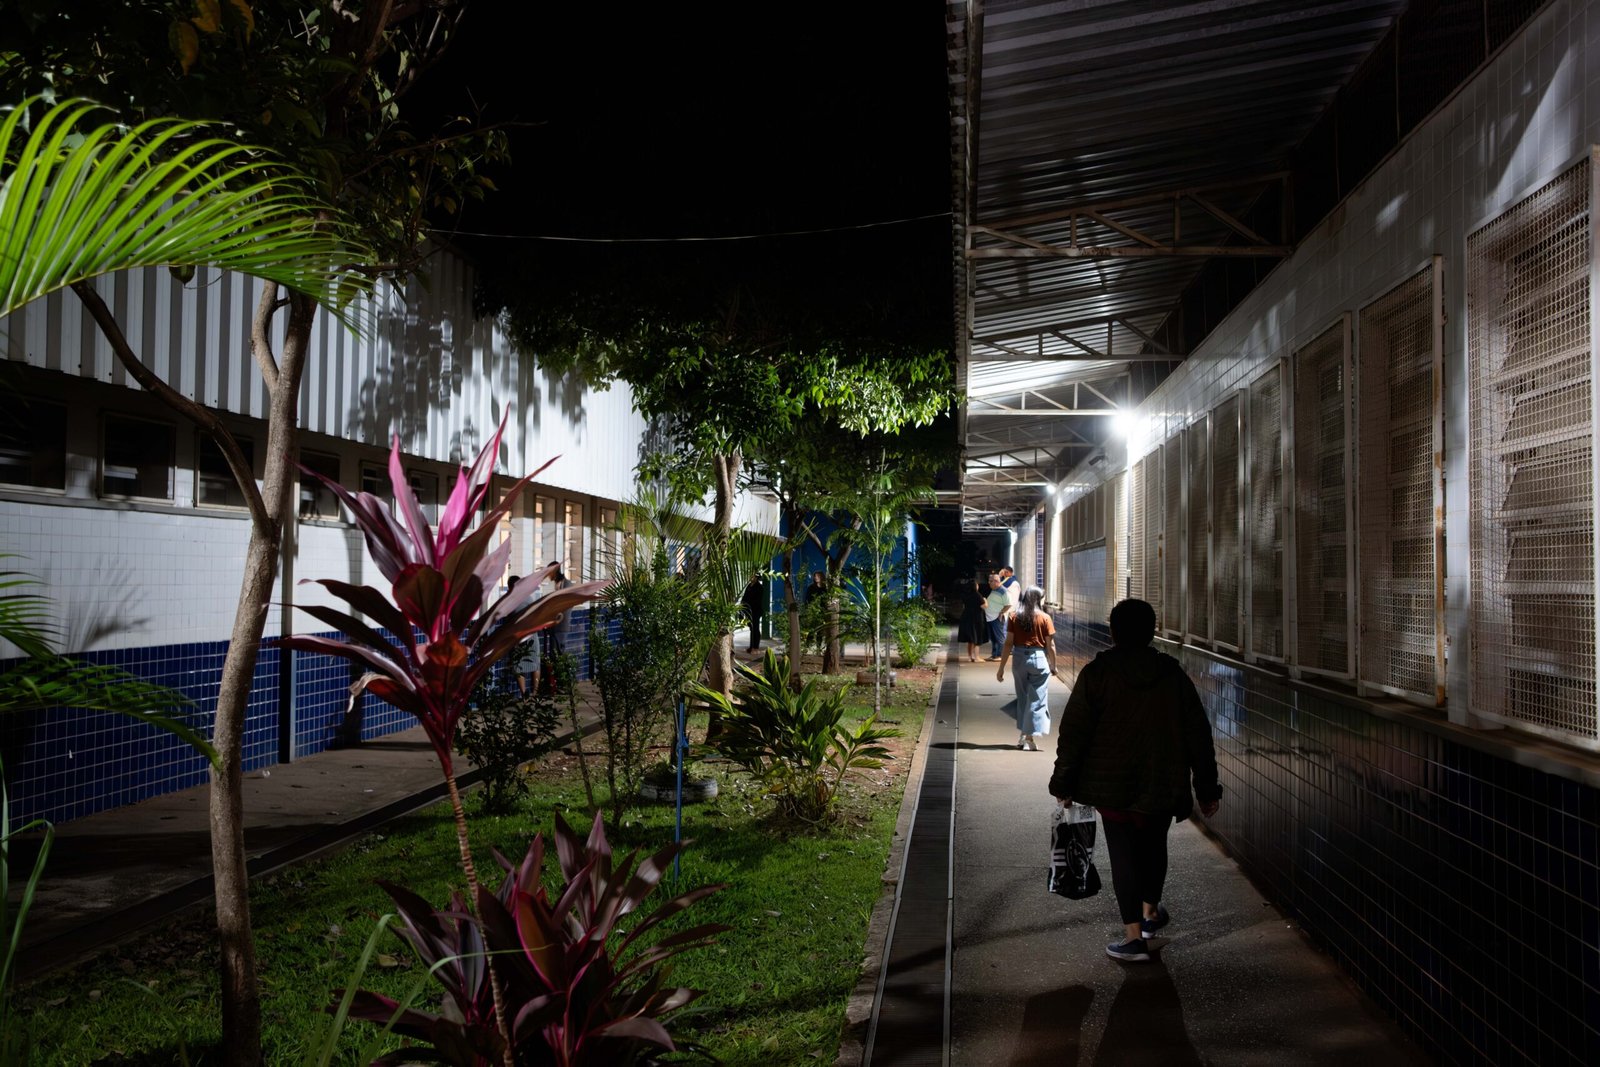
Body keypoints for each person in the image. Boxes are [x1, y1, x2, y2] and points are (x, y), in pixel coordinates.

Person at [1048, 598, 1222, 964]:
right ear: (1151, 632)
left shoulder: (1097, 674)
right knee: (1155, 848)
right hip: (1162, 783)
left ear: (1112, 631)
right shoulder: (1172, 675)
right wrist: (1207, 788)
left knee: (1124, 856)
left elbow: (1074, 734)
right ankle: (1149, 916)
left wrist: (1063, 783)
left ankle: (1133, 939)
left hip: (1112, 788)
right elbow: (1198, 734)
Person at [995, 585, 1058, 749]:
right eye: (1042, 598)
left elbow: (1008, 643)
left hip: (1019, 659)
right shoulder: (1045, 618)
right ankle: (1028, 738)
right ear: (1037, 599)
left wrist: (1001, 668)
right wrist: (1053, 665)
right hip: (1039, 659)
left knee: (1023, 697)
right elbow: (1050, 646)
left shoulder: (1014, 616)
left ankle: (1023, 735)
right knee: (1037, 699)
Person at [957, 578, 987, 662]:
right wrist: (985, 600)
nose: (978, 586)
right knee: (978, 637)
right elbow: (984, 606)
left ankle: (969, 657)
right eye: (977, 585)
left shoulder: (965, 595)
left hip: (966, 617)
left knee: (970, 639)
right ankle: (977, 657)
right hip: (977, 618)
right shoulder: (977, 595)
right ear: (975, 586)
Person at [982, 573, 1009, 661]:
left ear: (996, 581)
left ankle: (1000, 655)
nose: (989, 583)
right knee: (993, 638)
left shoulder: (1003, 591)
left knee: (999, 637)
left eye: (990, 581)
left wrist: (1001, 612)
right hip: (990, 617)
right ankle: (994, 654)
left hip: (996, 618)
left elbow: (1008, 604)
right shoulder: (994, 590)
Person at [742, 573, 768, 652]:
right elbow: (745, 597)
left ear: (756, 578)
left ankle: (755, 647)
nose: (751, 577)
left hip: (756, 611)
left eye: (753, 576)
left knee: (755, 628)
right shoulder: (749, 586)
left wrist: (749, 604)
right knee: (751, 628)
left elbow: (758, 600)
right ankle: (751, 647)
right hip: (749, 610)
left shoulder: (759, 587)